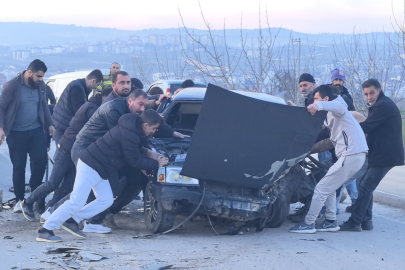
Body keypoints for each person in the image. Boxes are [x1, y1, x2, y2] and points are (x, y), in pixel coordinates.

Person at [36, 110, 169, 242]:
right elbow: (134, 160)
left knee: (106, 199)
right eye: (154, 128)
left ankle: (73, 219)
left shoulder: (133, 128)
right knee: (76, 201)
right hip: (91, 165)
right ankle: (46, 229)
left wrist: (150, 155)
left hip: (99, 167)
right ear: (145, 125)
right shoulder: (130, 134)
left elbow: (135, 150)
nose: (154, 131)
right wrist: (156, 163)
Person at [20, 87, 113, 221]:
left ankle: (49, 212)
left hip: (79, 153)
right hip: (67, 149)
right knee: (53, 183)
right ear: (104, 99)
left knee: (68, 187)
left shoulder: (95, 107)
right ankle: (28, 202)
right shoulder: (92, 109)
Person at [289, 85, 368, 234]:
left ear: (325, 99)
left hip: (351, 155)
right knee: (330, 187)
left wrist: (317, 105)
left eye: (317, 98)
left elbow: (336, 105)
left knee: (320, 189)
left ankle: (308, 224)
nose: (314, 101)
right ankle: (330, 221)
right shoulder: (331, 114)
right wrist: (297, 110)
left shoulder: (339, 107)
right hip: (352, 156)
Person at [340, 79, 404, 231]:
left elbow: (367, 126)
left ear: (379, 90)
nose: (369, 97)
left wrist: (343, 130)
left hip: (385, 155)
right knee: (363, 184)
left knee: (366, 186)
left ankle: (355, 222)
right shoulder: (380, 104)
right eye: (366, 94)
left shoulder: (383, 106)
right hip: (379, 152)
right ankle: (366, 221)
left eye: (372, 93)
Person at [0, 59, 55, 213]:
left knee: (40, 162)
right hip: (17, 133)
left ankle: (35, 196)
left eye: (42, 77)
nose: (40, 79)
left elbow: (44, 105)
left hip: (36, 130)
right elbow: (1, 107)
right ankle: (19, 200)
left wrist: (50, 124)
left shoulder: (40, 86)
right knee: (19, 166)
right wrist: (1, 128)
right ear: (29, 72)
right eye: (38, 76)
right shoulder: (12, 85)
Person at [52, 69, 103, 145]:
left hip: (62, 124)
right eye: (97, 85)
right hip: (63, 126)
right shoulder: (77, 88)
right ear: (93, 81)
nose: (96, 87)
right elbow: (80, 110)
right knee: (62, 153)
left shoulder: (80, 85)